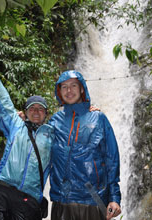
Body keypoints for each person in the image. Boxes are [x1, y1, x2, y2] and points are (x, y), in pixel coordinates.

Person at [48, 70, 121, 220]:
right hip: (62, 200)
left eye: (73, 85)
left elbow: (111, 158)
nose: (69, 91)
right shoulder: (55, 121)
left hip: (92, 200)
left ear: (82, 89)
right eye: (64, 87)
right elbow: (40, 152)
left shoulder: (98, 118)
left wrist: (114, 197)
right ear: (59, 92)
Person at [0, 63, 54, 220]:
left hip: (29, 199)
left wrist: (86, 110)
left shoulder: (52, 137)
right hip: (2, 190)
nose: (36, 112)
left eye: (40, 109)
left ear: (46, 114)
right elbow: (3, 100)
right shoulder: (16, 125)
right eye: (32, 108)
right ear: (25, 112)